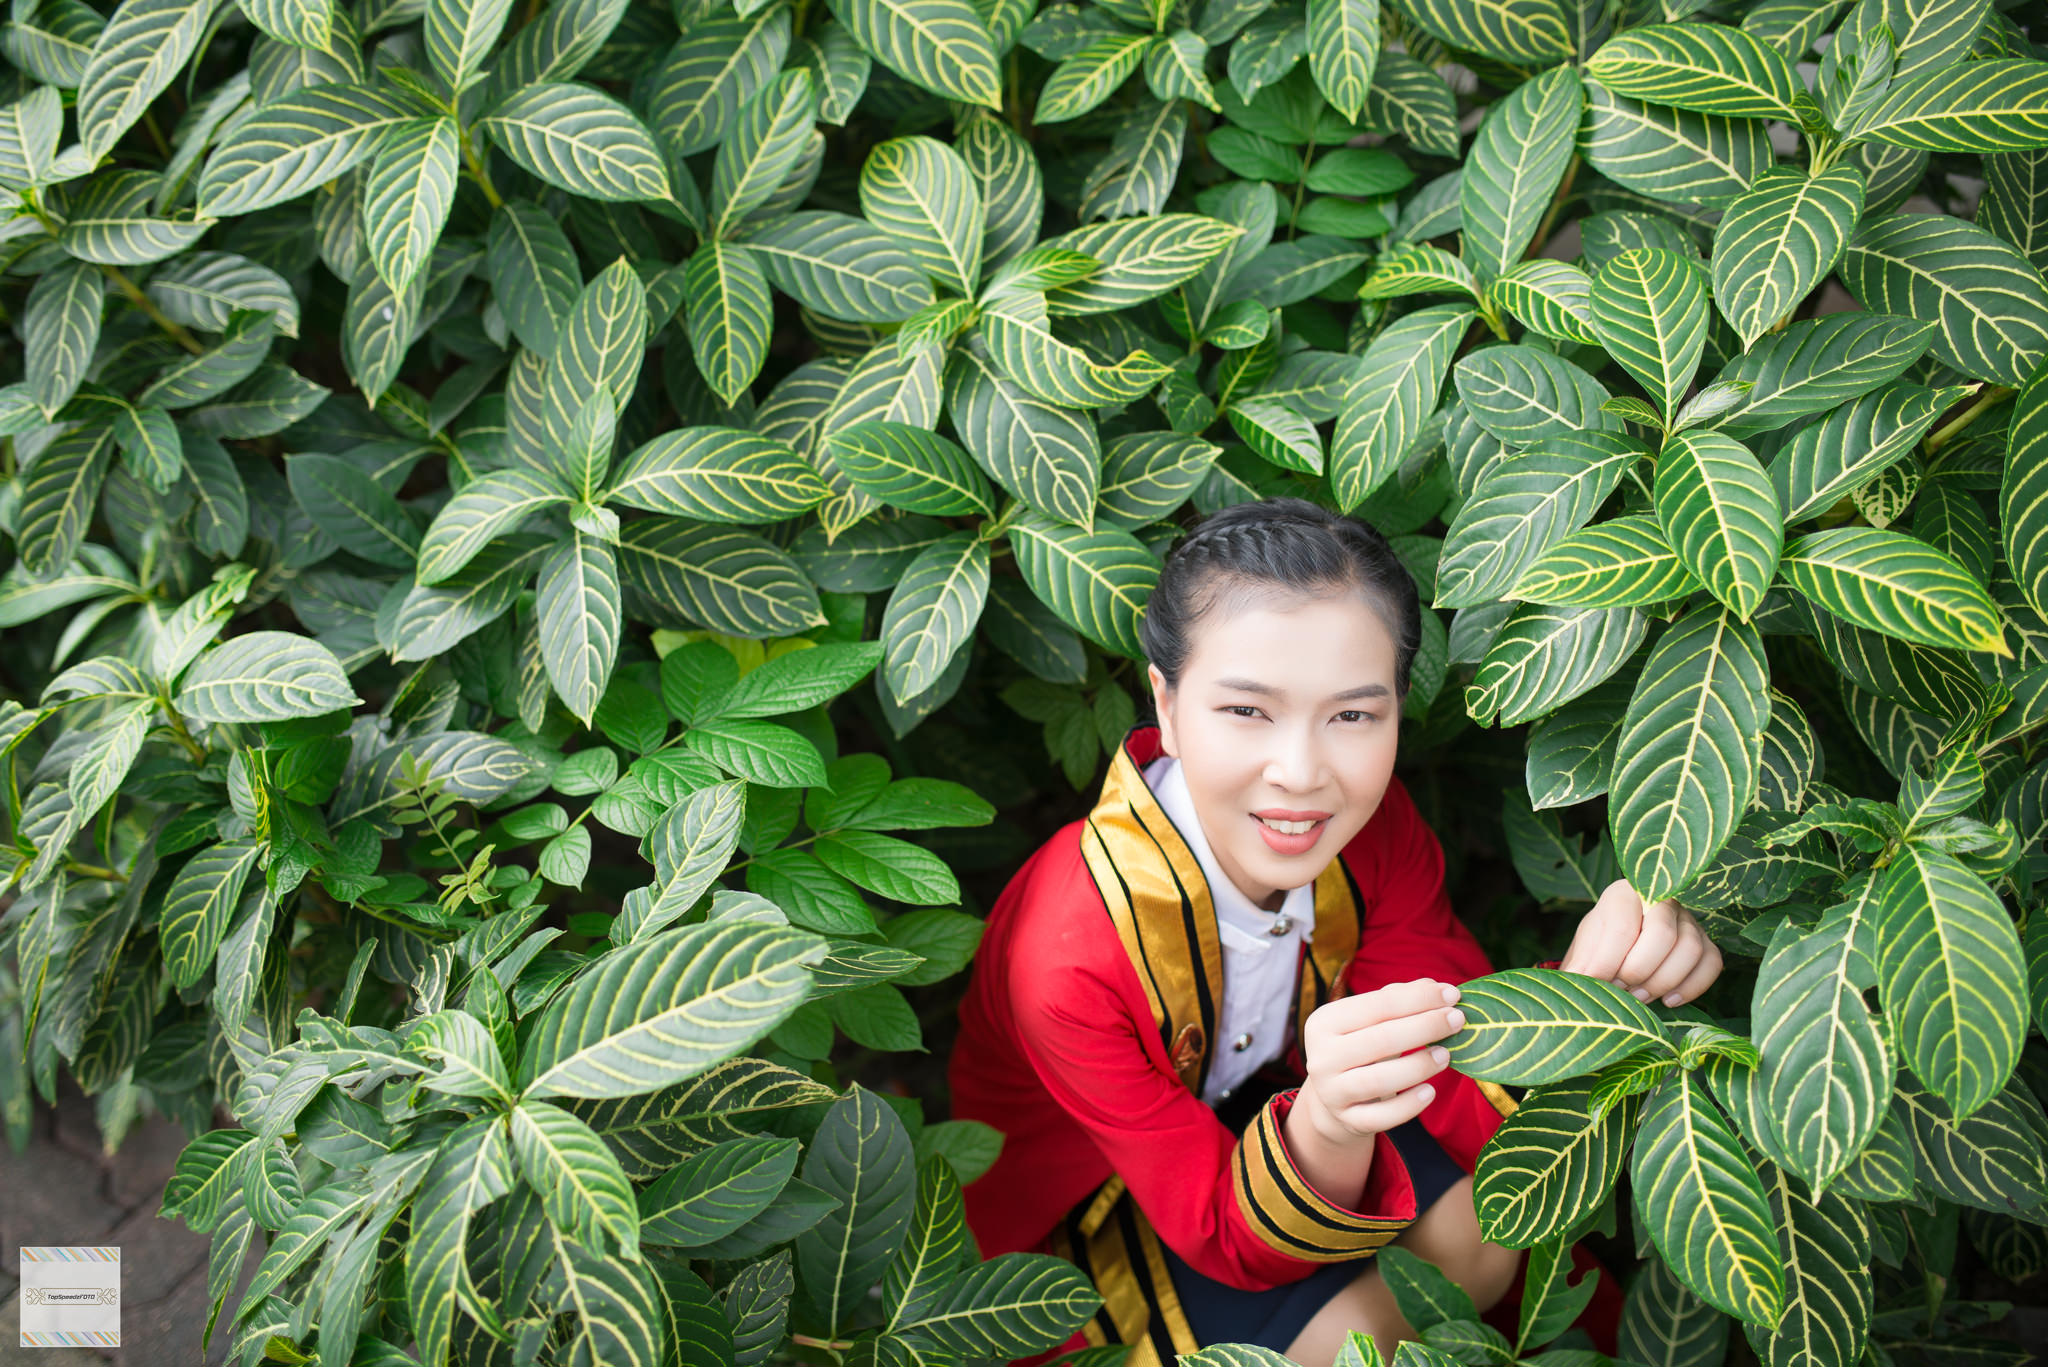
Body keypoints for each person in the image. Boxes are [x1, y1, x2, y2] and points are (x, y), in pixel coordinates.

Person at [946, 497, 1724, 1367]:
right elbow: (1220, 1228)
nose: (1302, 774)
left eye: (1353, 715)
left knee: (1487, 1236)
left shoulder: (1371, 826)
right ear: (1165, 705)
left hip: (1298, 1097)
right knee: (1344, 1348)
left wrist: (1592, 994)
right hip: (1104, 1191)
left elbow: (1461, 1048)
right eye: (1246, 711)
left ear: (1397, 707)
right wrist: (1327, 1124)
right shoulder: (1071, 952)